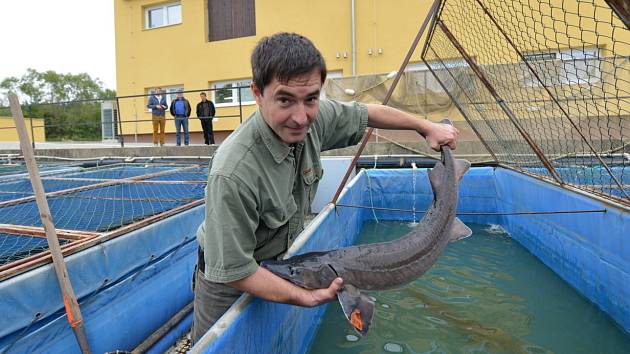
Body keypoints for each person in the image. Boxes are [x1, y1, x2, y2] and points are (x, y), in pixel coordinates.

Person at [192, 32, 459, 343]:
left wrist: (426, 126)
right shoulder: (233, 173)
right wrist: (306, 298)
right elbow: (236, 270)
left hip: (275, 261)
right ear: (257, 93)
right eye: (284, 99)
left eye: (311, 99)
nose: (300, 117)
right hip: (227, 278)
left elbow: (367, 113)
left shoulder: (312, 117)